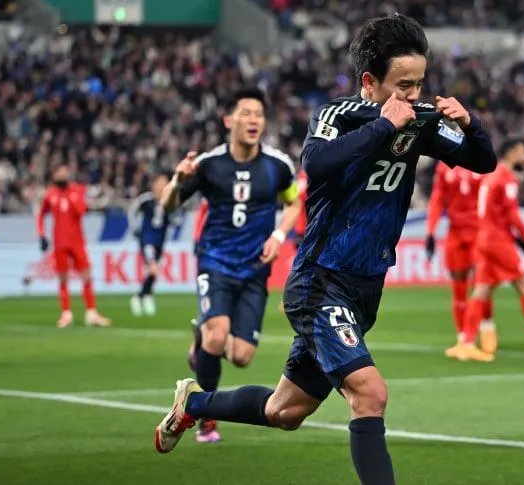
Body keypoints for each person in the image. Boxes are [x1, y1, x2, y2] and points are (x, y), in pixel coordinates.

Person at [153, 14, 497, 485]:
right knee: (370, 394)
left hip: (364, 288)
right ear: (369, 82)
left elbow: (483, 161)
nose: (414, 95)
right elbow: (315, 163)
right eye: (403, 85)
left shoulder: (419, 121)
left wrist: (470, 123)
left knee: (284, 411)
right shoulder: (338, 116)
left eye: (419, 83)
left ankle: (192, 403)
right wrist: (384, 125)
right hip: (320, 281)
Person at [159, 87, 303, 443]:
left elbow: (294, 203)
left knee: (241, 356)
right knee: (217, 334)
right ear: (229, 120)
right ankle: (205, 418)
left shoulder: (277, 165)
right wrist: (177, 181)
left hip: (255, 268)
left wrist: (278, 236)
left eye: (259, 114)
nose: (254, 120)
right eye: (246, 113)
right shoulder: (209, 165)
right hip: (216, 261)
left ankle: (202, 342)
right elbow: (168, 205)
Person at [456, 139, 524, 361]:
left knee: (482, 289)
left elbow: (497, 213)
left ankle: (466, 343)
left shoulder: (490, 176)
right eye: (523, 152)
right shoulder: (507, 179)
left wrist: (519, 241)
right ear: (511, 154)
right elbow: (512, 215)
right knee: (523, 284)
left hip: (484, 238)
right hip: (499, 242)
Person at [424, 162, 496, 354]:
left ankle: (487, 327)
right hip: (456, 233)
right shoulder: (444, 167)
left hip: (479, 232)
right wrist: (430, 231)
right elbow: (438, 198)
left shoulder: (481, 160)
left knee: (481, 284)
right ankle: (463, 337)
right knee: (458, 285)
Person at [36, 164, 111, 328]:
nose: (62, 175)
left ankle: (91, 313)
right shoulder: (50, 194)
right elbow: (41, 215)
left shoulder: (77, 190)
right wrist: (41, 235)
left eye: (65, 172)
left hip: (77, 241)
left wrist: (73, 198)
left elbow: (82, 211)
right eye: (59, 172)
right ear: (54, 175)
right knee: (63, 278)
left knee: (86, 275)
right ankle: (66, 314)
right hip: (59, 242)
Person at [128, 172, 179, 317]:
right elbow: (132, 211)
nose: (162, 186)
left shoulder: (169, 200)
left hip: (160, 241)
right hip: (147, 240)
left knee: (154, 271)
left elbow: (175, 219)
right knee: (153, 269)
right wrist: (135, 229)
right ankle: (140, 297)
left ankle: (145, 295)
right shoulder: (146, 199)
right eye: (160, 182)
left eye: (165, 183)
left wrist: (174, 218)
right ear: (154, 184)